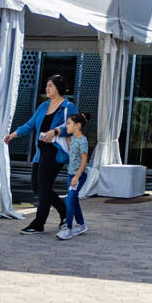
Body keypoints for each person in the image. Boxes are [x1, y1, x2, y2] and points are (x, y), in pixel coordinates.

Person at [7, 74, 73, 234]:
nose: (47, 88)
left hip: (55, 152)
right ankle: (64, 210)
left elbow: (75, 128)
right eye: (47, 85)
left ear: (58, 88)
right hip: (41, 151)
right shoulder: (43, 106)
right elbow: (30, 124)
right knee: (37, 187)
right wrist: (15, 134)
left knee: (44, 186)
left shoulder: (68, 107)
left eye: (50, 85)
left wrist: (56, 131)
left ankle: (38, 223)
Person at [57, 111, 92, 240]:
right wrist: (66, 136)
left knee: (69, 200)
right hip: (71, 175)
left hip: (78, 176)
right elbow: (72, 149)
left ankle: (68, 228)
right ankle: (82, 225)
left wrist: (76, 177)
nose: (67, 126)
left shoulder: (83, 140)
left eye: (69, 124)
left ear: (77, 125)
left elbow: (84, 160)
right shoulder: (74, 139)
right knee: (74, 199)